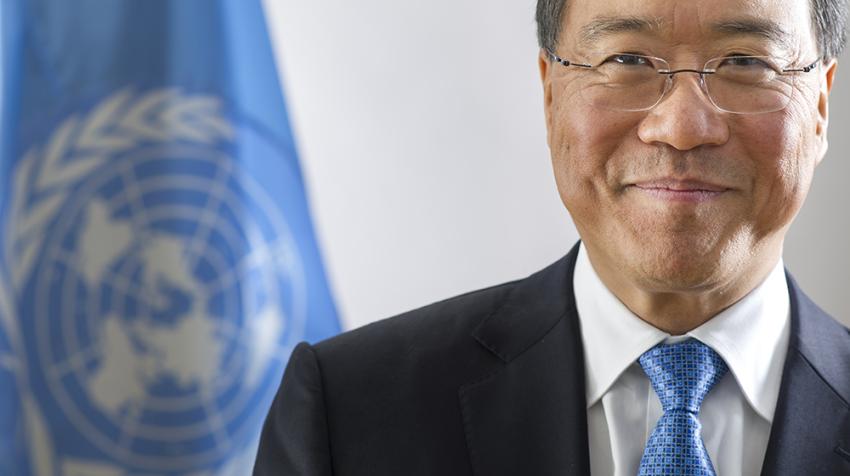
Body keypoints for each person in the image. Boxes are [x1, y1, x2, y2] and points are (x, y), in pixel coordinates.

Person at [254, 0, 850, 474]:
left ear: (820, 103)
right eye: (629, 61)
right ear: (549, 92)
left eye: (745, 62)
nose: (682, 127)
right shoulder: (348, 412)